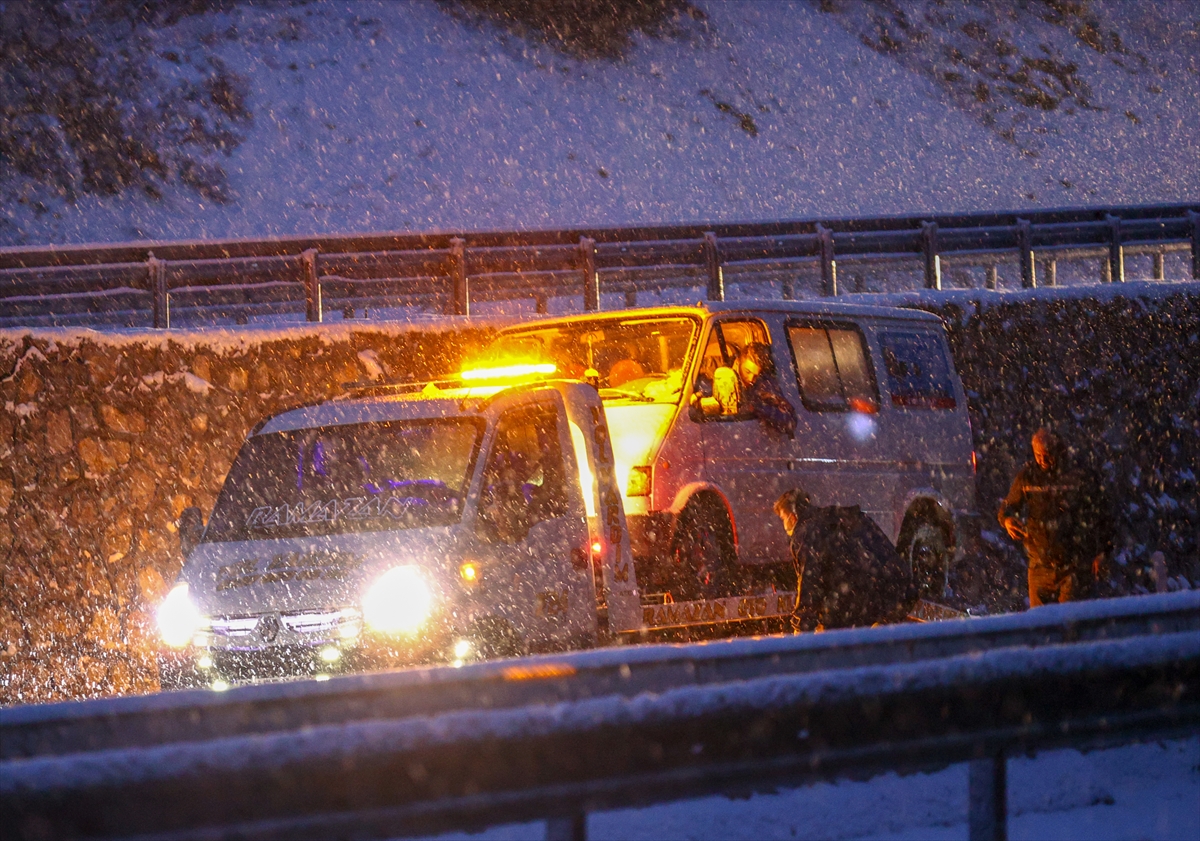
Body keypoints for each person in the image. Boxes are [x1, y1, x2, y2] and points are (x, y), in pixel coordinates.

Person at [774, 488, 917, 632]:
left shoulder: (805, 533)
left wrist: (801, 630)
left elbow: (809, 586)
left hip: (858, 604)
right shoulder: (844, 517)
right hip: (897, 593)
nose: (784, 525)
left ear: (792, 517)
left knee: (838, 640)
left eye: (783, 519)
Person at [998, 427, 1111, 607]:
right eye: (1038, 454)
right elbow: (1008, 506)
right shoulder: (1028, 477)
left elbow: (1102, 514)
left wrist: (1104, 551)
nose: (1042, 460)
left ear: (1058, 450)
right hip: (1039, 565)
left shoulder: (1078, 476)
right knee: (1041, 626)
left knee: (1069, 624)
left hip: (1072, 565)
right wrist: (1007, 520)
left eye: (1047, 454)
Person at [734, 343, 797, 437]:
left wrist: (760, 407)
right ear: (738, 362)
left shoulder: (763, 383)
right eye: (747, 371)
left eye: (756, 374)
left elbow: (790, 420)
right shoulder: (722, 378)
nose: (751, 379)